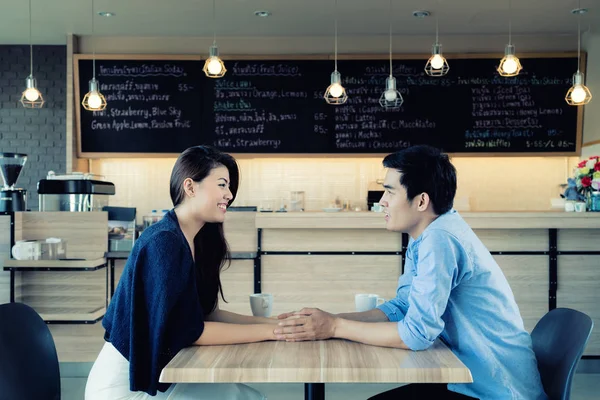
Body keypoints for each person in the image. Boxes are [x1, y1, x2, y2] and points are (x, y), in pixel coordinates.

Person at [275, 145, 548, 400]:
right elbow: (404, 306)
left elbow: (416, 335)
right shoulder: (425, 235)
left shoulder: (440, 239)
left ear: (421, 201)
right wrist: (332, 320)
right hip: (467, 377)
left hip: (496, 389)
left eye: (390, 192)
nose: (382, 201)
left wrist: (334, 327)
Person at [86, 146, 278, 400]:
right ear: (190, 187)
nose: (229, 195)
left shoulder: (195, 240)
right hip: (127, 388)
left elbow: (206, 314)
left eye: (229, 187)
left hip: (160, 377)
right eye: (222, 185)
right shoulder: (164, 242)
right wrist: (273, 332)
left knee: (246, 395)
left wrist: (274, 324)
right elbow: (188, 331)